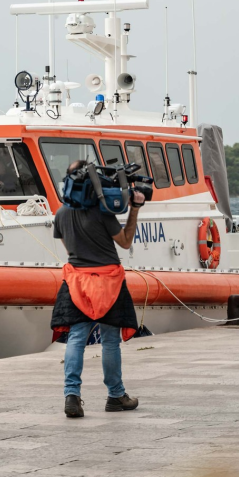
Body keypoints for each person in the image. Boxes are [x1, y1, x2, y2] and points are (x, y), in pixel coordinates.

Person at [51, 160, 144, 418]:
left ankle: (72, 396)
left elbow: (70, 251)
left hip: (76, 282)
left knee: (76, 339)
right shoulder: (103, 211)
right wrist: (135, 209)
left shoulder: (61, 214)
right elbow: (125, 242)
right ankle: (116, 396)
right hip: (109, 281)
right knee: (110, 341)